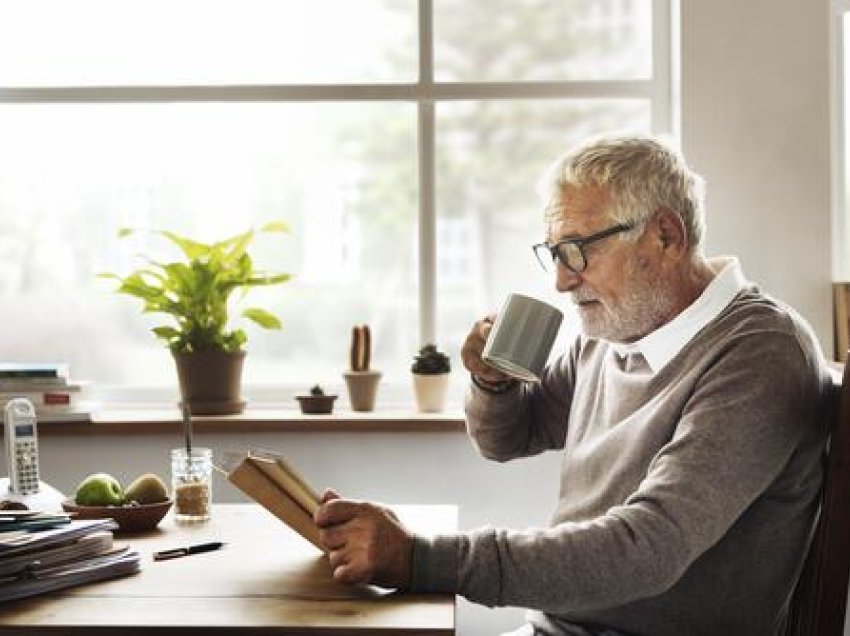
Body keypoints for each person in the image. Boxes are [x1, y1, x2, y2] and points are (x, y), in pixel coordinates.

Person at [314, 134, 833, 635]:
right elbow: (508, 439)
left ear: (665, 236)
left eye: (578, 250)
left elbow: (645, 550)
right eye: (555, 252)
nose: (561, 280)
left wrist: (418, 559)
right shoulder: (616, 330)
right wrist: (493, 381)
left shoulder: (760, 350)